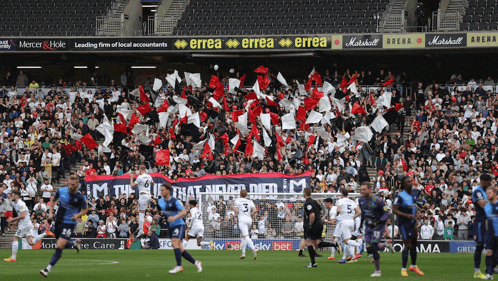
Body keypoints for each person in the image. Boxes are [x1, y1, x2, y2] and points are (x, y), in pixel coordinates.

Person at [40, 175, 88, 277]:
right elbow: (53, 199)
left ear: (77, 185)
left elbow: (85, 209)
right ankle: (73, 243)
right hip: (59, 220)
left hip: (69, 223)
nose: (71, 186)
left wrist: (78, 215)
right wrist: (51, 213)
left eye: (73, 185)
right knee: (59, 243)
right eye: (69, 184)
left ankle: (47, 269)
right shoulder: (62, 190)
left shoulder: (80, 197)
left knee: (59, 246)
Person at [156, 182, 202, 273]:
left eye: (163, 190)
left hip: (179, 224)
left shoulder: (174, 201)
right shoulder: (160, 201)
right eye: (160, 190)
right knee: (180, 248)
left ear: (168, 191)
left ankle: (179, 266)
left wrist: (174, 217)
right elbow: (156, 210)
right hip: (171, 226)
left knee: (174, 242)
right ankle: (196, 262)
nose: (161, 192)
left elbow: (184, 212)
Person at [3, 190, 54, 262]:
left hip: (25, 224)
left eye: (12, 195)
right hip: (27, 223)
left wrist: (12, 219)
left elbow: (23, 215)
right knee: (31, 242)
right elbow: (20, 215)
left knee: (15, 238)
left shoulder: (21, 204)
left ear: (16, 196)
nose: (11, 197)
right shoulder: (15, 203)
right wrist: (15, 223)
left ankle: (13, 257)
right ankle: (46, 233)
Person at [359, 182, 393, 277]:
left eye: (364, 189)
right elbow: (363, 212)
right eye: (361, 189)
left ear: (369, 189)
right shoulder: (361, 200)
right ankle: (385, 244)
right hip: (368, 226)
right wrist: (361, 224)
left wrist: (378, 221)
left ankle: (377, 271)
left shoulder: (378, 200)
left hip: (378, 227)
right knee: (369, 248)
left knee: (374, 245)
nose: (362, 191)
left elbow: (387, 214)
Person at [393, 176, 425, 277]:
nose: (411, 183)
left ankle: (414, 266)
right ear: (404, 184)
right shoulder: (400, 196)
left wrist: (417, 213)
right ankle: (403, 268)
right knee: (407, 244)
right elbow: (394, 209)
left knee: (414, 244)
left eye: (411, 181)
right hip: (403, 224)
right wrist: (406, 215)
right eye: (408, 182)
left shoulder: (414, 195)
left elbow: (414, 206)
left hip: (412, 223)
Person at [472, 173, 491, 279]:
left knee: (492, 244)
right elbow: (483, 205)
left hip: (490, 221)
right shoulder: (477, 191)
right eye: (488, 183)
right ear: (483, 181)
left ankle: (491, 268)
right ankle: (477, 271)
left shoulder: (486, 191)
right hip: (481, 221)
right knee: (479, 245)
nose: (489, 184)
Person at [335, 188, 361, 264]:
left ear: (342, 194)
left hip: (344, 222)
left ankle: (360, 245)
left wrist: (337, 215)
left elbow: (339, 210)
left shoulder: (340, 201)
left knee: (346, 241)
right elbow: (359, 212)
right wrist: (353, 217)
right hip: (352, 222)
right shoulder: (352, 201)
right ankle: (344, 258)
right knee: (346, 241)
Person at [130, 164, 154, 238]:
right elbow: (153, 183)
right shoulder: (149, 176)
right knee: (144, 211)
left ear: (140, 170)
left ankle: (141, 230)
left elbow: (132, 186)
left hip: (143, 196)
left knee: (141, 214)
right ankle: (145, 227)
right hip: (149, 195)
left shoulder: (139, 177)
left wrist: (131, 178)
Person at [234, 189, 258, 259]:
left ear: (240, 194)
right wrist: (250, 215)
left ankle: (254, 249)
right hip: (249, 220)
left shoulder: (238, 201)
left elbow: (236, 210)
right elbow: (255, 210)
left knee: (246, 236)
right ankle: (243, 253)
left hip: (242, 220)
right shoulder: (249, 201)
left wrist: (233, 209)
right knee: (242, 236)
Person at [303, 187, 323, 268]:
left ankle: (313, 263)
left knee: (309, 243)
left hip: (314, 224)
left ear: (304, 193)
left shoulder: (308, 203)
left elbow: (312, 215)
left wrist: (310, 224)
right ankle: (333, 245)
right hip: (319, 223)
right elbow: (321, 211)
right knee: (316, 243)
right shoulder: (315, 202)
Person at [482, 187, 498, 280]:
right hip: (490, 233)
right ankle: (489, 274)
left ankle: (491, 269)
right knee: (488, 252)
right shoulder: (487, 207)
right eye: (487, 193)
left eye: (490, 193)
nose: (488, 195)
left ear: (495, 194)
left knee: (496, 256)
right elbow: (487, 220)